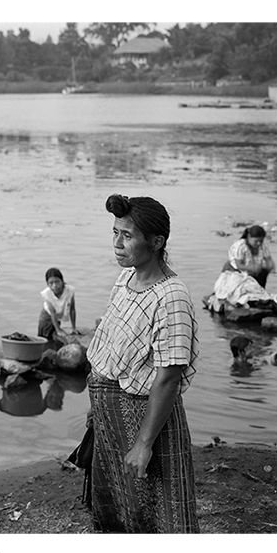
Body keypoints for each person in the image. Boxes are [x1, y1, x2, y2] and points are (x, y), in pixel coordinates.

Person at [86, 194, 199, 533]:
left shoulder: (171, 297)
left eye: (127, 236)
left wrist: (144, 443)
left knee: (163, 509)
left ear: (157, 241)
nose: (118, 244)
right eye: (115, 233)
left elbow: (168, 378)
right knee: (124, 503)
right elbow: (110, 344)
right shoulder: (126, 279)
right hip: (112, 413)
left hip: (143, 416)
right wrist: (97, 410)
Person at [37, 267, 78, 346]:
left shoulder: (70, 290)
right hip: (47, 316)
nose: (55, 286)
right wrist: (58, 330)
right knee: (45, 338)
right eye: (51, 283)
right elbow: (52, 313)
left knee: (54, 337)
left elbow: (72, 309)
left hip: (58, 316)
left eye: (57, 282)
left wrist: (74, 328)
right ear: (47, 284)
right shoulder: (47, 293)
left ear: (62, 281)